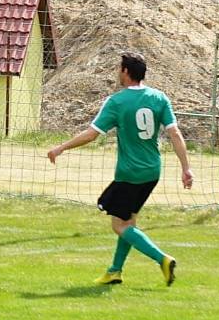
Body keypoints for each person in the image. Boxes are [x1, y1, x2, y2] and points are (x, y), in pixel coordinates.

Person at [47, 52, 193, 286]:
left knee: (120, 225)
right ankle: (115, 271)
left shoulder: (117, 101)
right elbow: (174, 133)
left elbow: (92, 134)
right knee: (129, 221)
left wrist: (61, 147)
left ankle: (162, 259)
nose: (118, 72)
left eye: (119, 69)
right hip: (152, 171)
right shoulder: (159, 98)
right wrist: (186, 168)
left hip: (129, 173)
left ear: (125, 72)